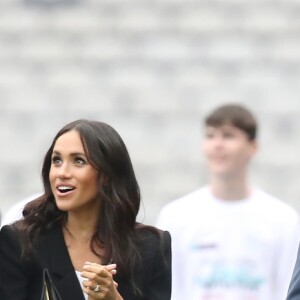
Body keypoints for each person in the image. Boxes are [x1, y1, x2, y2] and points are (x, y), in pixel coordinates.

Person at [0, 119, 171, 300]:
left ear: (107, 175)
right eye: (56, 160)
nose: (62, 172)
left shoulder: (151, 247)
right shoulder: (19, 242)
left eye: (78, 161)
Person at [156, 104, 300, 300]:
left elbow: (288, 289)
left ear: (253, 147)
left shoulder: (284, 219)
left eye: (228, 136)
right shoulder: (175, 215)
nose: (217, 145)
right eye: (210, 136)